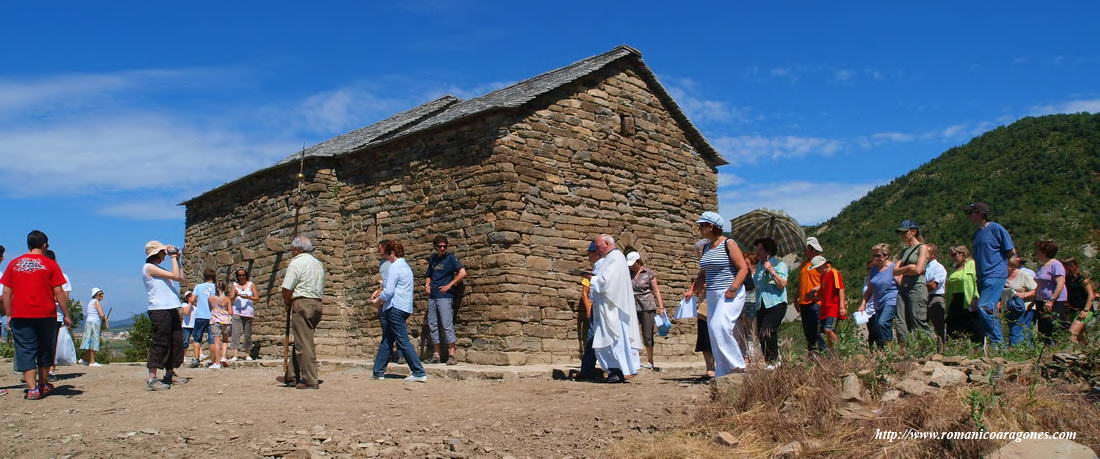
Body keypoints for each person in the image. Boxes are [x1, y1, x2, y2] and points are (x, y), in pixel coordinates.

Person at [1, 231, 72, 399]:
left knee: (26, 350)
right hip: (45, 314)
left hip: (20, 315)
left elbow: (6, 292)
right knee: (45, 349)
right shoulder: (50, 264)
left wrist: (9, 314)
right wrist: (67, 314)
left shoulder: (13, 264)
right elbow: (59, 291)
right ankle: (43, 384)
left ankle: (32, 389)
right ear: (45, 245)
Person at [685, 213, 749, 377]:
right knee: (713, 332)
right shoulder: (706, 247)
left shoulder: (729, 243)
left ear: (711, 226)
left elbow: (743, 268)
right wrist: (692, 289)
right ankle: (723, 370)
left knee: (719, 326)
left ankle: (737, 365)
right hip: (712, 293)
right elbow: (703, 274)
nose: (699, 228)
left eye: (702, 225)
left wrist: (733, 288)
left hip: (729, 292)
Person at [370, 240, 428, 383]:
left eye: (388, 255)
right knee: (388, 338)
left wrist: (378, 300)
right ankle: (378, 371)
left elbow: (389, 291)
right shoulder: (406, 267)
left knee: (402, 340)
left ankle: (419, 371)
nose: (387, 258)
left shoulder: (394, 267)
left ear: (392, 253)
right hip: (404, 307)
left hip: (395, 307)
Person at [591, 235, 643, 383]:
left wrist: (593, 279)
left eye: (598, 246)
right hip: (609, 306)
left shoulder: (615, 258)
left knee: (612, 339)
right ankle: (617, 370)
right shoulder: (613, 258)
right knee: (609, 339)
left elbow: (607, 283)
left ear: (606, 244)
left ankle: (617, 370)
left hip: (613, 309)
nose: (597, 249)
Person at [963, 202, 1014, 346]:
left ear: (979, 213)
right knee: (985, 309)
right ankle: (992, 343)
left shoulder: (996, 229)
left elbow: (1011, 252)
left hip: (995, 274)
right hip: (982, 277)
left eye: (970, 213)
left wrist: (1006, 273)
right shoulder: (977, 233)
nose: (967, 216)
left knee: (984, 306)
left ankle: (998, 344)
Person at [279, 236, 326, 389]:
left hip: (302, 302)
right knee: (302, 339)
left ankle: (309, 379)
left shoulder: (297, 262)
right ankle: (292, 376)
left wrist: (287, 302)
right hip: (317, 304)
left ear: (297, 249)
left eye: (292, 249)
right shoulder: (318, 264)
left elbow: (286, 288)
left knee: (304, 343)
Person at [141, 240, 186, 390]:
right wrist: (173, 257)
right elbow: (174, 275)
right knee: (161, 342)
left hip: (171, 308)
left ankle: (170, 373)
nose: (165, 254)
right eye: (162, 252)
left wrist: (177, 260)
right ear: (157, 253)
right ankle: (152, 379)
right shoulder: (148, 268)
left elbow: (180, 277)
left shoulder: (159, 269)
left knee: (176, 342)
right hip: (159, 310)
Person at [424, 235, 467, 365]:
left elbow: (463, 273)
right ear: (435, 247)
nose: (442, 248)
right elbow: (429, 275)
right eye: (440, 246)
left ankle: (452, 355)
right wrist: (427, 285)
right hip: (432, 297)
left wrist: (450, 284)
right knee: (432, 325)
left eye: (444, 246)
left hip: (445, 297)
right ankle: (436, 355)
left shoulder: (450, 258)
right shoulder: (433, 260)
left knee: (447, 324)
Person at [751, 238, 787, 368]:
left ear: (768, 251)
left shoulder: (779, 264)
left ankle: (775, 360)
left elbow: (782, 284)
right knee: (761, 334)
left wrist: (771, 270)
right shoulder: (759, 266)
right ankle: (769, 363)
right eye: (757, 249)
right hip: (761, 304)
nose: (757, 252)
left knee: (768, 330)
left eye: (760, 249)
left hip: (776, 303)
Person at [626, 251, 666, 370]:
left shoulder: (648, 273)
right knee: (631, 333)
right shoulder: (628, 273)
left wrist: (661, 306)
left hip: (647, 306)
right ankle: (632, 359)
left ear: (638, 261)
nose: (631, 266)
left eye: (633, 264)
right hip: (632, 307)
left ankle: (650, 361)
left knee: (647, 334)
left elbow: (656, 290)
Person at [858, 244, 901, 349]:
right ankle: (888, 350)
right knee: (879, 327)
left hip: (892, 300)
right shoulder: (874, 269)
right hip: (879, 302)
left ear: (886, 256)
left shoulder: (894, 268)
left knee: (883, 322)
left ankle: (888, 348)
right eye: (874, 256)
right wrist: (863, 303)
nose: (875, 258)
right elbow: (870, 289)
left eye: (878, 255)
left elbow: (901, 284)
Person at [893, 220, 929, 344]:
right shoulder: (904, 251)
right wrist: (908, 268)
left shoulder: (922, 247)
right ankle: (907, 348)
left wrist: (903, 270)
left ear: (913, 232)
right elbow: (894, 271)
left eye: (904, 232)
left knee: (917, 319)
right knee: (901, 320)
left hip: (917, 286)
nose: (902, 235)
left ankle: (928, 347)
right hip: (904, 287)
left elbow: (918, 269)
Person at [370, 240, 401, 364]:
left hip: (392, 300)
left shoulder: (394, 263)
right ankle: (387, 354)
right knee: (385, 327)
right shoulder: (383, 263)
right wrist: (378, 291)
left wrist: (381, 293)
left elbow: (392, 282)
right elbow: (384, 281)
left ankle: (401, 354)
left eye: (379, 248)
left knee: (396, 327)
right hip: (384, 298)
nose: (378, 251)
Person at [43, 249, 71, 378]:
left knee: (51, 344)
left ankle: (50, 369)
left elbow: (65, 297)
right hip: (40, 312)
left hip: (56, 315)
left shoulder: (62, 276)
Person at [1033, 240, 1067, 345]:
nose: (1036, 253)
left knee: (1053, 325)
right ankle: (1046, 347)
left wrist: (1051, 300)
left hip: (1054, 301)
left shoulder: (1056, 265)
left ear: (1043, 252)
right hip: (1041, 300)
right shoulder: (1043, 265)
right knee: (1043, 326)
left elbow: (1060, 283)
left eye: (1038, 250)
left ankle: (1056, 347)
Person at [691, 239, 715, 381]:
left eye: (700, 251)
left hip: (717, 303)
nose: (699, 254)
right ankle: (710, 368)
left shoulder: (715, 264)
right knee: (704, 336)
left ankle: (719, 367)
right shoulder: (702, 267)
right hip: (704, 305)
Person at [797, 237, 827, 353]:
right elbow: (801, 282)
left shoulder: (820, 262)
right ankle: (813, 355)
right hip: (804, 302)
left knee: (817, 331)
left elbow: (828, 279)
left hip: (816, 302)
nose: (804, 251)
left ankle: (824, 354)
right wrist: (796, 297)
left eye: (806, 248)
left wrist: (817, 289)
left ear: (812, 249)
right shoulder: (804, 264)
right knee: (808, 331)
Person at [945, 246, 980, 343]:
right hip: (955, 299)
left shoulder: (972, 264)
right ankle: (953, 347)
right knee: (952, 325)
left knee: (972, 324)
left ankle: (977, 347)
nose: (952, 257)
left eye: (954, 255)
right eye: (951, 255)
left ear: (962, 254)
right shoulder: (954, 268)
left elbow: (975, 281)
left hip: (967, 298)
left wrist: (976, 297)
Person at [1001, 256, 1037, 347]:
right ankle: (1015, 350)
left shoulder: (1023, 275)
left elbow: (1036, 290)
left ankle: (1027, 352)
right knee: (1013, 331)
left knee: (1024, 331)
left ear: (1011, 265)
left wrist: (1024, 295)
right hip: (1011, 309)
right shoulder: (1003, 276)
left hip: (1025, 307)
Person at [813, 256, 846, 352]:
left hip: (833, 306)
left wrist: (842, 306)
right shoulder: (822, 276)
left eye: (817, 267)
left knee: (828, 329)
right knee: (826, 331)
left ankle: (837, 351)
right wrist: (815, 296)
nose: (817, 270)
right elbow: (823, 293)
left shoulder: (834, 272)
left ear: (823, 265)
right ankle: (832, 351)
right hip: (825, 307)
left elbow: (840, 288)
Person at [189, 269, 217, 368]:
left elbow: (191, 299)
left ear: (204, 276)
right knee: (212, 339)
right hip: (213, 316)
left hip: (200, 315)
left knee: (197, 339)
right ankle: (214, 361)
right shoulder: (216, 287)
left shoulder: (198, 286)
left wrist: (198, 305)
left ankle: (196, 359)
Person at [1063, 258, 1095, 345]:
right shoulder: (1066, 280)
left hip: (1085, 310)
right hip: (1072, 310)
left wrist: (1086, 310)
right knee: (1081, 336)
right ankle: (1086, 354)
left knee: (1072, 333)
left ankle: (1072, 354)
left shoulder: (1082, 279)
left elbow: (1091, 295)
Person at [229, 268, 257, 361]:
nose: (241, 277)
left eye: (243, 275)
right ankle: (235, 354)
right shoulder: (234, 285)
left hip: (248, 312)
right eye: (239, 275)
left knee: (247, 334)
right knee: (235, 333)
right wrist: (235, 295)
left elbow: (257, 298)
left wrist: (248, 297)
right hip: (237, 311)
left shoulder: (251, 285)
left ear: (246, 275)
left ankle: (247, 353)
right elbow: (231, 299)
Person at [924, 244, 949, 346]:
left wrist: (919, 286)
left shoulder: (939, 268)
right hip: (924, 297)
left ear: (933, 255)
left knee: (938, 325)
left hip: (935, 297)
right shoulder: (923, 266)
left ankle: (941, 348)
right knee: (922, 323)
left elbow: (933, 285)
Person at [79, 288, 108, 366]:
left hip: (89, 322)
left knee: (89, 342)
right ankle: (92, 362)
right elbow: (101, 314)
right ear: (96, 295)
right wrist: (105, 318)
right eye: (100, 294)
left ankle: (84, 359)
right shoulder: (96, 302)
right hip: (94, 323)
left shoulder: (91, 302)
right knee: (93, 342)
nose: (102, 295)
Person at [208, 281, 232, 369]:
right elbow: (230, 312)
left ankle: (217, 363)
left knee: (217, 342)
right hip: (226, 321)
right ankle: (224, 357)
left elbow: (210, 308)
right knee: (225, 340)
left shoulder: (210, 298)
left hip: (215, 320)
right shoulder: (227, 299)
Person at [180, 291, 195, 363]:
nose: (191, 297)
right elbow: (186, 312)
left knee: (197, 341)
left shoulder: (197, 305)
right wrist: (190, 303)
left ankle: (199, 355)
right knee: (185, 342)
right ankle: (184, 356)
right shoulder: (184, 304)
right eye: (189, 296)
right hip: (186, 326)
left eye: (191, 295)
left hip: (195, 325)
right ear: (186, 298)